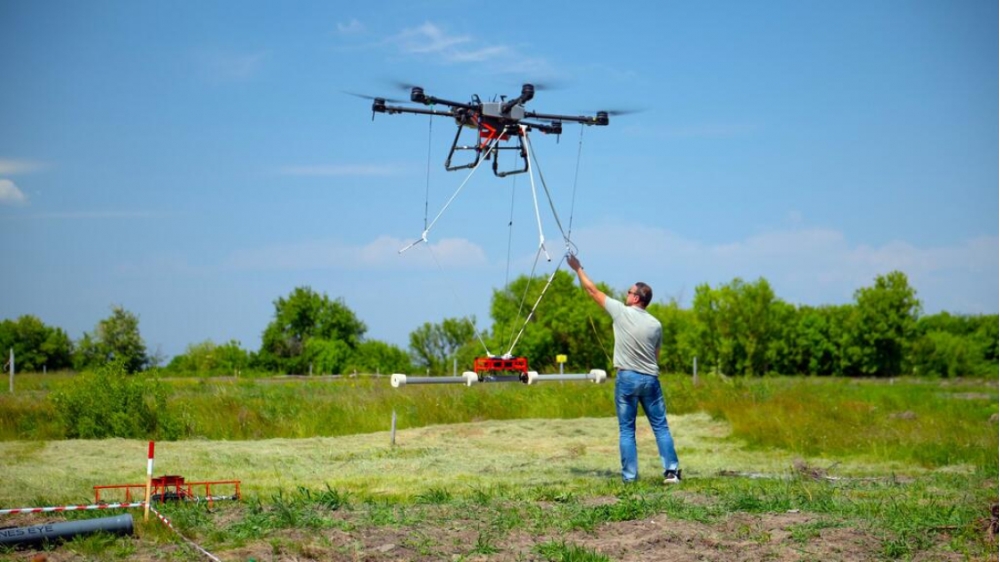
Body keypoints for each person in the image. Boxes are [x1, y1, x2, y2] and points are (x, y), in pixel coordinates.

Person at [566, 253, 682, 484]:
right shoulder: (656, 324)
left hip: (627, 378)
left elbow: (592, 290)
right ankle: (671, 472)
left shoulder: (621, 311)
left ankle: (629, 478)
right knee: (660, 427)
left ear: (636, 298)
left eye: (629, 292)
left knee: (627, 430)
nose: (626, 294)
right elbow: (656, 356)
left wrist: (577, 268)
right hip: (651, 380)